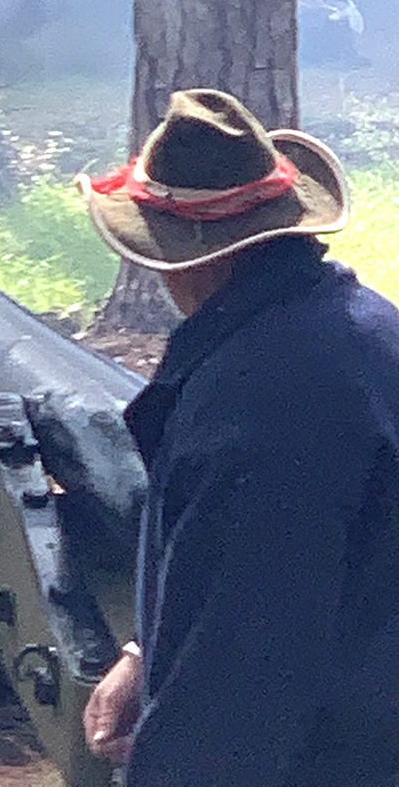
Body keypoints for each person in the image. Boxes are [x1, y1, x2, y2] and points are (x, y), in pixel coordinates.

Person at [75, 88, 399, 787]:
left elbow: (241, 669)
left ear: (183, 257)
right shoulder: (367, 330)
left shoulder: (254, 410)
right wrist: (145, 653)